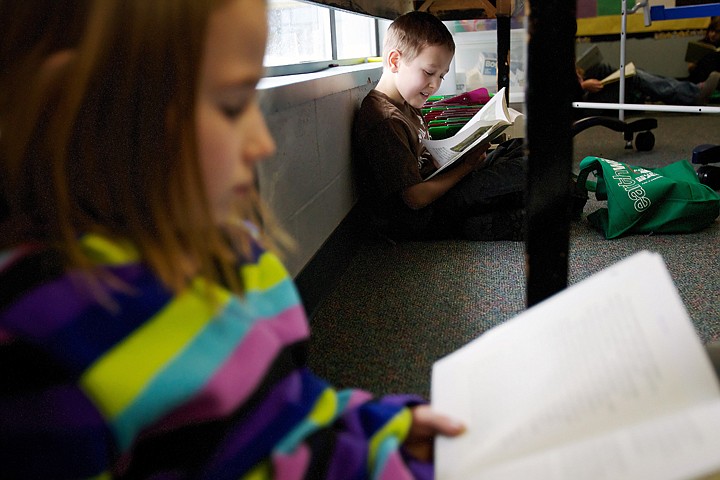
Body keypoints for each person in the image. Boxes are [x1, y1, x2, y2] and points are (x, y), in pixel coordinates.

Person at [0, 0, 466, 478]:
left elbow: (286, 407)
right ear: (77, 102)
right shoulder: (46, 335)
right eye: (230, 105)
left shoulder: (239, 252)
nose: (262, 143)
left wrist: (383, 427)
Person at [352, 11, 535, 243]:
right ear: (395, 61)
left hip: (441, 185)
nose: (435, 85)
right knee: (529, 169)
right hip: (423, 215)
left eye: (441, 75)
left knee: (520, 147)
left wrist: (465, 151)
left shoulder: (407, 102)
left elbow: (428, 158)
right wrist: (466, 168)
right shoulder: (385, 121)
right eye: (429, 72)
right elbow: (414, 198)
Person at [576, 62, 720, 107]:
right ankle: (693, 94)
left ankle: (691, 91)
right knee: (633, 77)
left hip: (581, 90)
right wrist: (582, 86)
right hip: (581, 101)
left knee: (632, 74)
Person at [687, 16, 720, 82]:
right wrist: (693, 65)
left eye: (717, 32)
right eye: (711, 31)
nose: (713, 34)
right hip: (698, 79)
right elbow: (690, 68)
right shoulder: (701, 44)